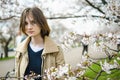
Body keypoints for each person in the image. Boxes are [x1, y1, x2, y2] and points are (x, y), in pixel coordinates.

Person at [15, 7, 65, 80]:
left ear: (41, 23)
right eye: (25, 23)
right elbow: (17, 76)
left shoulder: (56, 50)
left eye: (33, 22)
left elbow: (62, 77)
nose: (29, 27)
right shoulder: (19, 50)